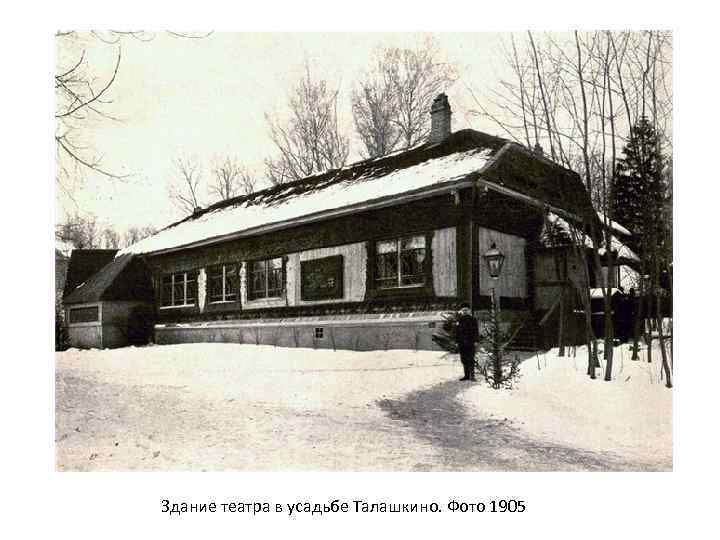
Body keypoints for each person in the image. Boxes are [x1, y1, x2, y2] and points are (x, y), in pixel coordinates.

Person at [456, 302, 479, 381]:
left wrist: (476, 341)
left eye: (466, 310)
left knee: (471, 359)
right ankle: (466, 375)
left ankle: (472, 376)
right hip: (461, 343)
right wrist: (457, 341)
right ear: (461, 311)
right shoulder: (459, 320)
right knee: (464, 359)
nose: (464, 311)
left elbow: (476, 331)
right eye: (463, 310)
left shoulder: (473, 319)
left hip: (470, 342)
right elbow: (457, 331)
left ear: (469, 310)